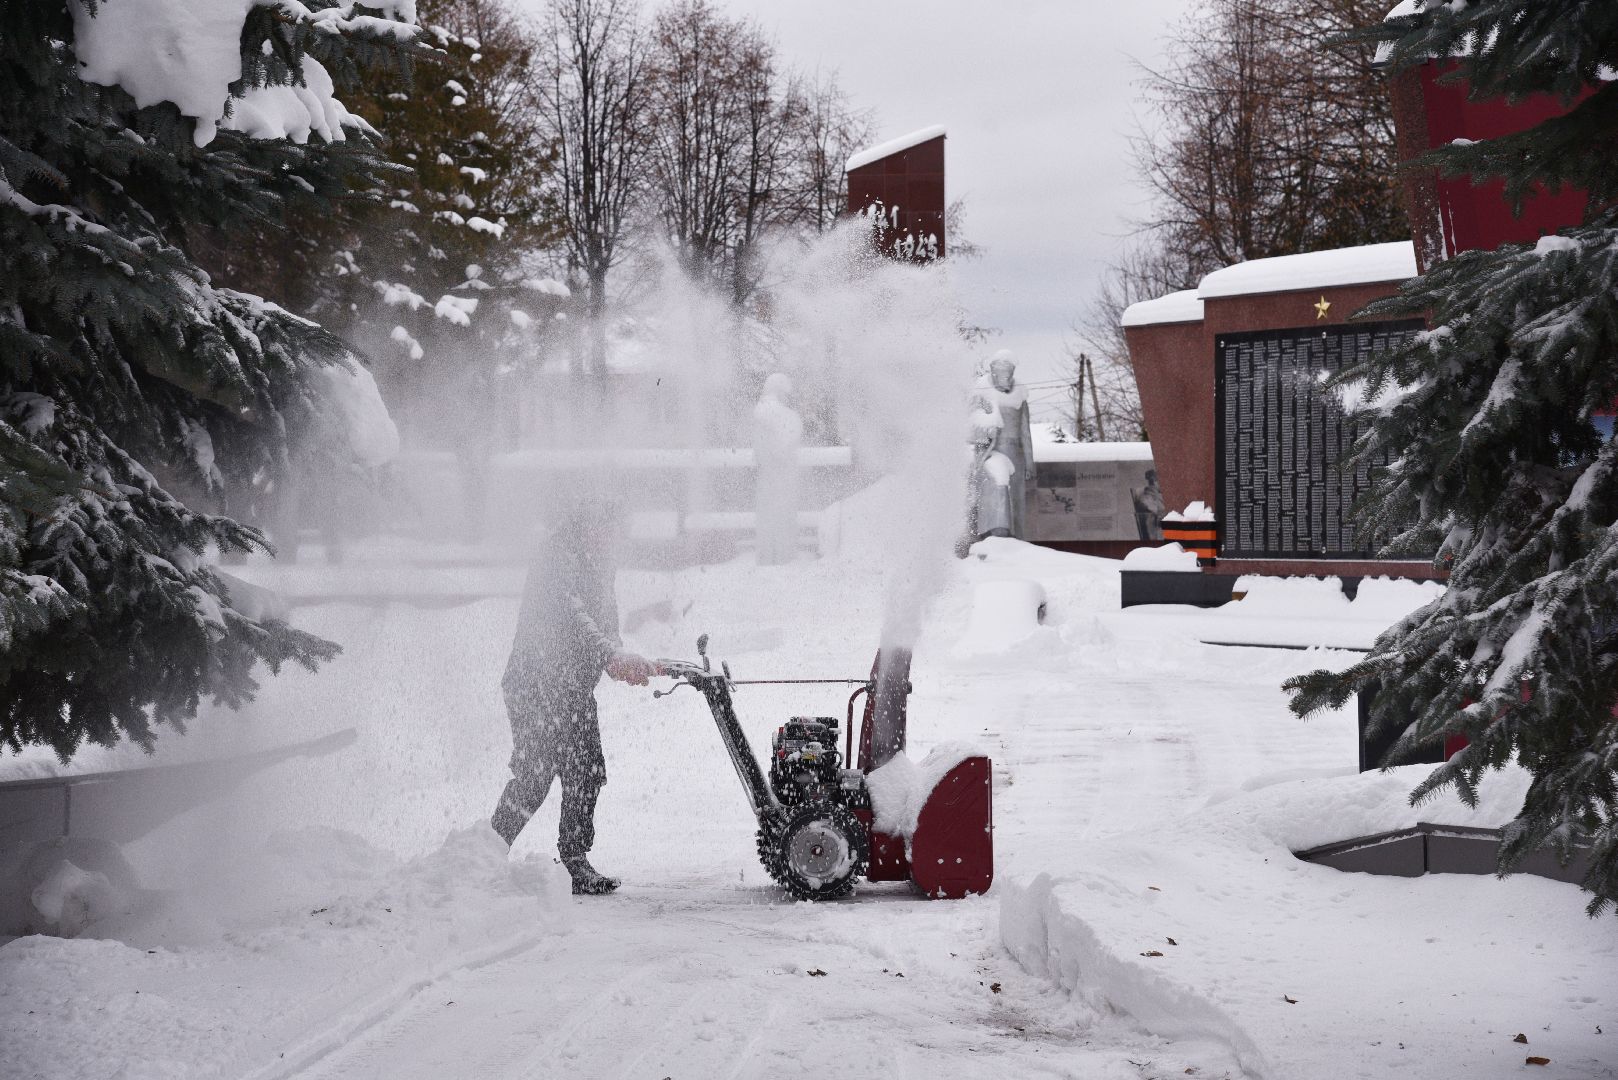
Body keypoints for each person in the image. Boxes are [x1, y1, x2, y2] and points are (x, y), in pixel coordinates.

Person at [490, 495, 657, 895]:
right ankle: (486, 854)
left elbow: (606, 620)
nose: (613, 539)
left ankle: (575, 860)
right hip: (535, 681)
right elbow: (572, 614)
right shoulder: (555, 556)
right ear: (589, 527)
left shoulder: (602, 563)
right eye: (609, 531)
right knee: (535, 775)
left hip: (572, 686)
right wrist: (609, 654)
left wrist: (617, 657)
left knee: (586, 771)